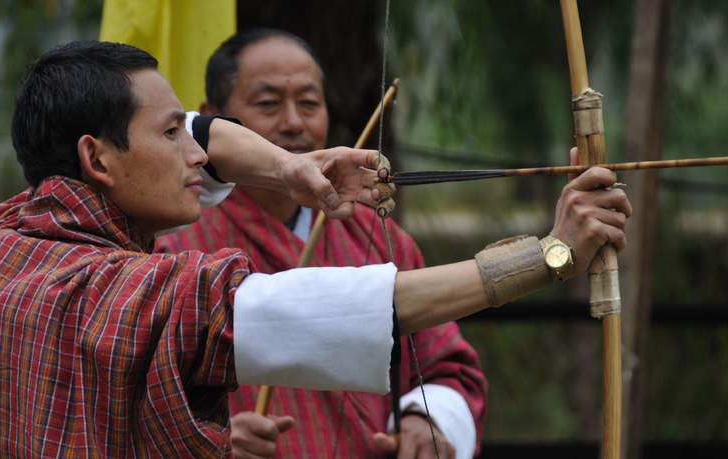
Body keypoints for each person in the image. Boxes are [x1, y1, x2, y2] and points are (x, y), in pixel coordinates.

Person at [0, 40, 631, 458]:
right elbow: (343, 307)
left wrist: (288, 168)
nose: (199, 151)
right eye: (172, 135)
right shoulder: (126, 289)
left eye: (309, 101)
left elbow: (442, 362)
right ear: (97, 158)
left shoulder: (2, 241)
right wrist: (552, 253)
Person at [154, 29, 486, 459]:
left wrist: (428, 423)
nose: (294, 122)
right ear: (212, 122)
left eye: (309, 103)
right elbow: (132, 392)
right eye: (268, 103)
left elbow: (445, 366)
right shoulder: (173, 242)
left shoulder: (378, 238)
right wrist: (206, 439)